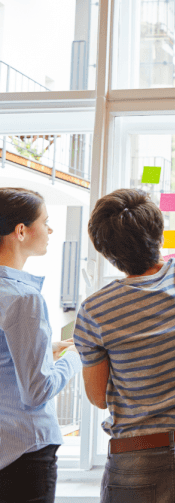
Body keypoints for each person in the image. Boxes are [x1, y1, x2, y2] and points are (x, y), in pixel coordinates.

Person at [73, 139, 175, 503]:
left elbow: (97, 397)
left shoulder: (95, 310)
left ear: (107, 254)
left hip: (134, 458)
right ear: (159, 233)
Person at [0, 188, 81, 503]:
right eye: (45, 221)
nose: (50, 230)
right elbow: (37, 390)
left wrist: (44, 352)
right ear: (21, 231)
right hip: (24, 451)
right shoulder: (24, 298)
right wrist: (75, 357)